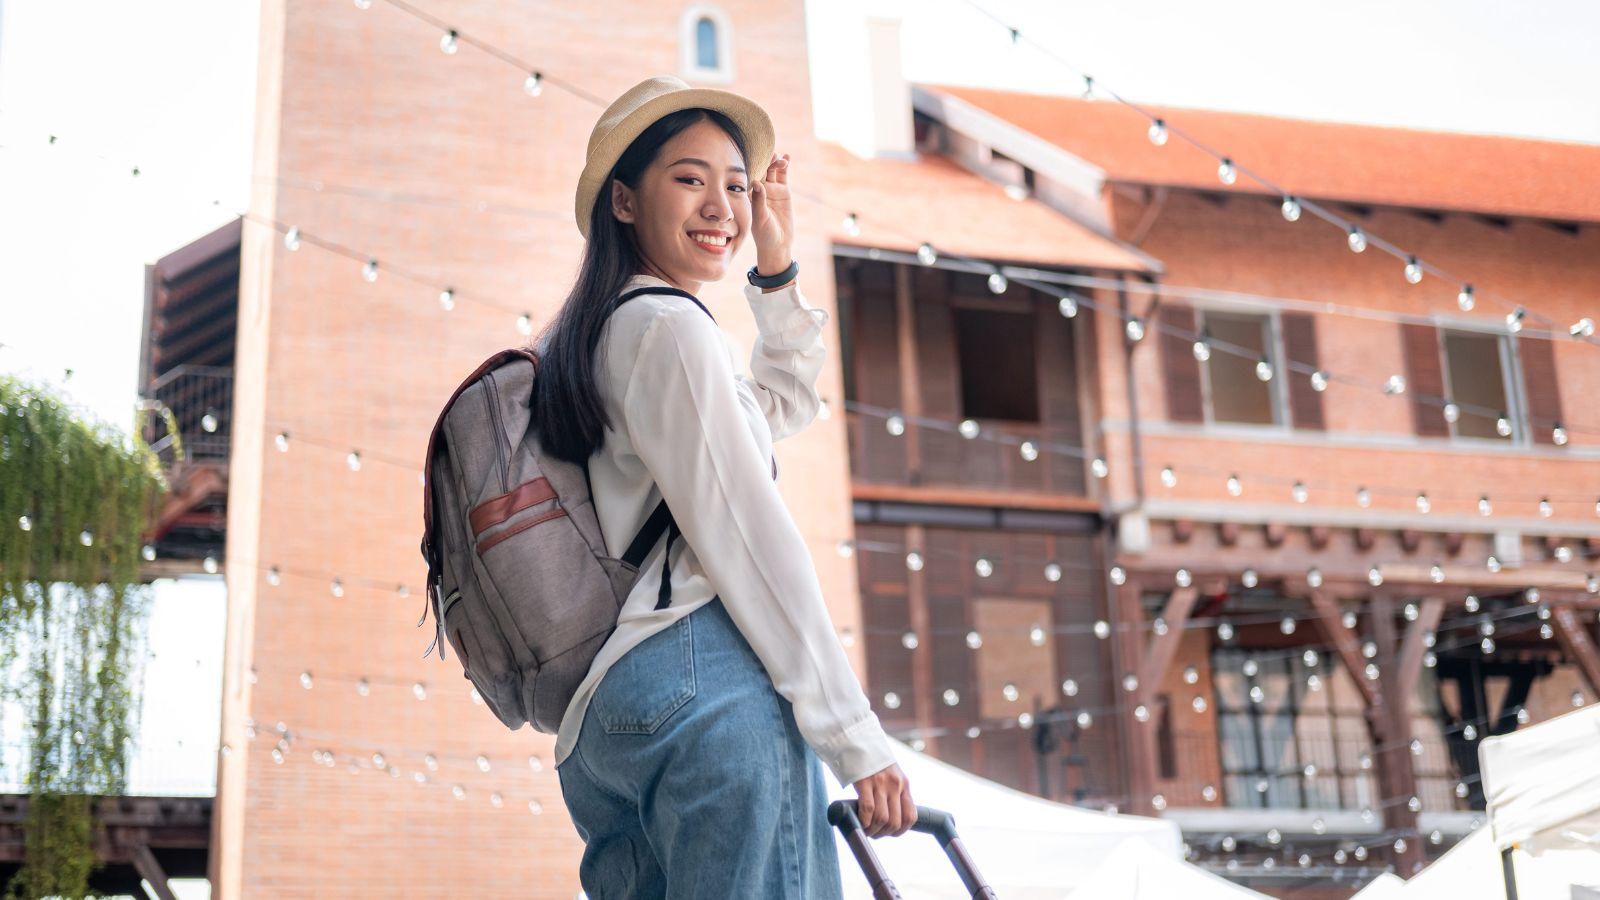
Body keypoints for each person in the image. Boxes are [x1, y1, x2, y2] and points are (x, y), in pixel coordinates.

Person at [532, 75, 916, 898]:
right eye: (690, 178)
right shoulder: (670, 329)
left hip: (612, 714)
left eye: (736, 186)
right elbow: (749, 539)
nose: (722, 206)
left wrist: (773, 266)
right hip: (703, 686)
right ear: (625, 202)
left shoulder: (617, 327)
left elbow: (776, 407)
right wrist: (854, 735)